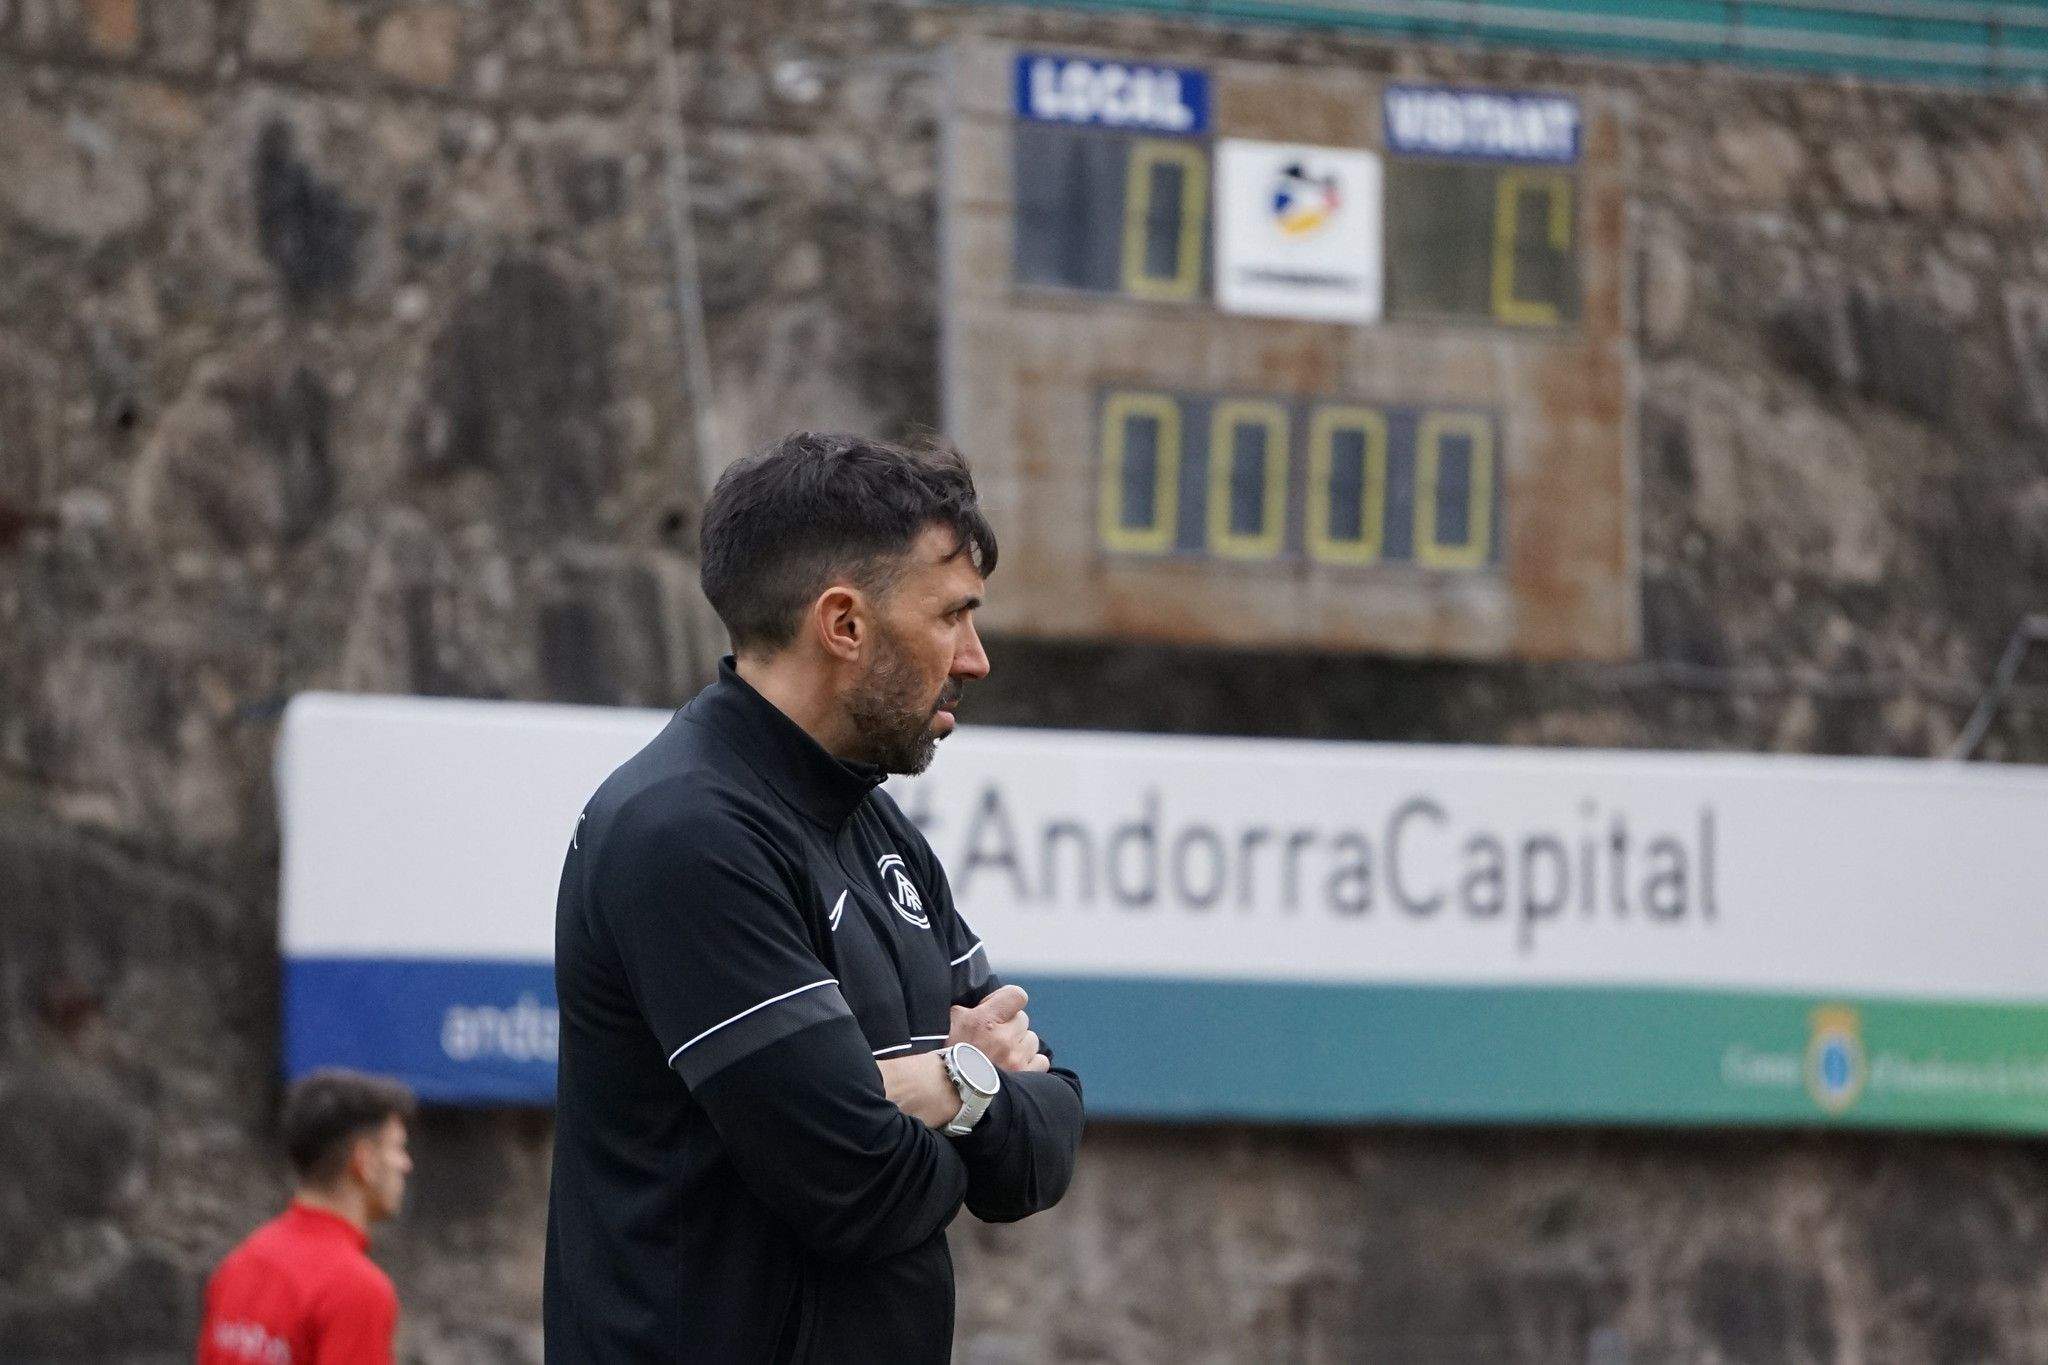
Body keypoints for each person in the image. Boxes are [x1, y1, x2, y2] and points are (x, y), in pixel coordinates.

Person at [546, 432, 1085, 1362]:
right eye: (953, 615)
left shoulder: (879, 830)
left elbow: (1047, 1143)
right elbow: (859, 1184)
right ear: (844, 625)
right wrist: (968, 1078)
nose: (975, 658)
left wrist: (923, 1091)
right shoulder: (685, 833)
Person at [198, 1068, 415, 1365]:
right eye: (398, 1148)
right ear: (364, 1161)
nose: (406, 1164)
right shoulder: (357, 1291)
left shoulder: (240, 1264)